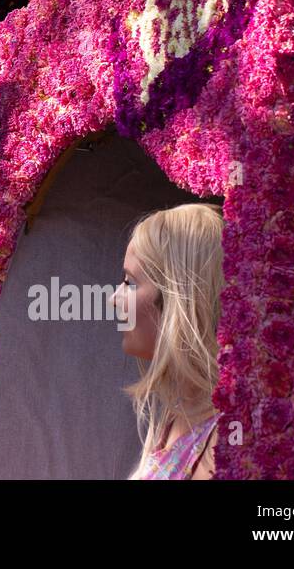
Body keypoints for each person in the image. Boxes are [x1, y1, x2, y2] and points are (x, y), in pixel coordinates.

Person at [113, 202, 225, 480]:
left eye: (130, 282)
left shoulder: (224, 442)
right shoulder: (177, 415)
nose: (113, 298)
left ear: (179, 298)